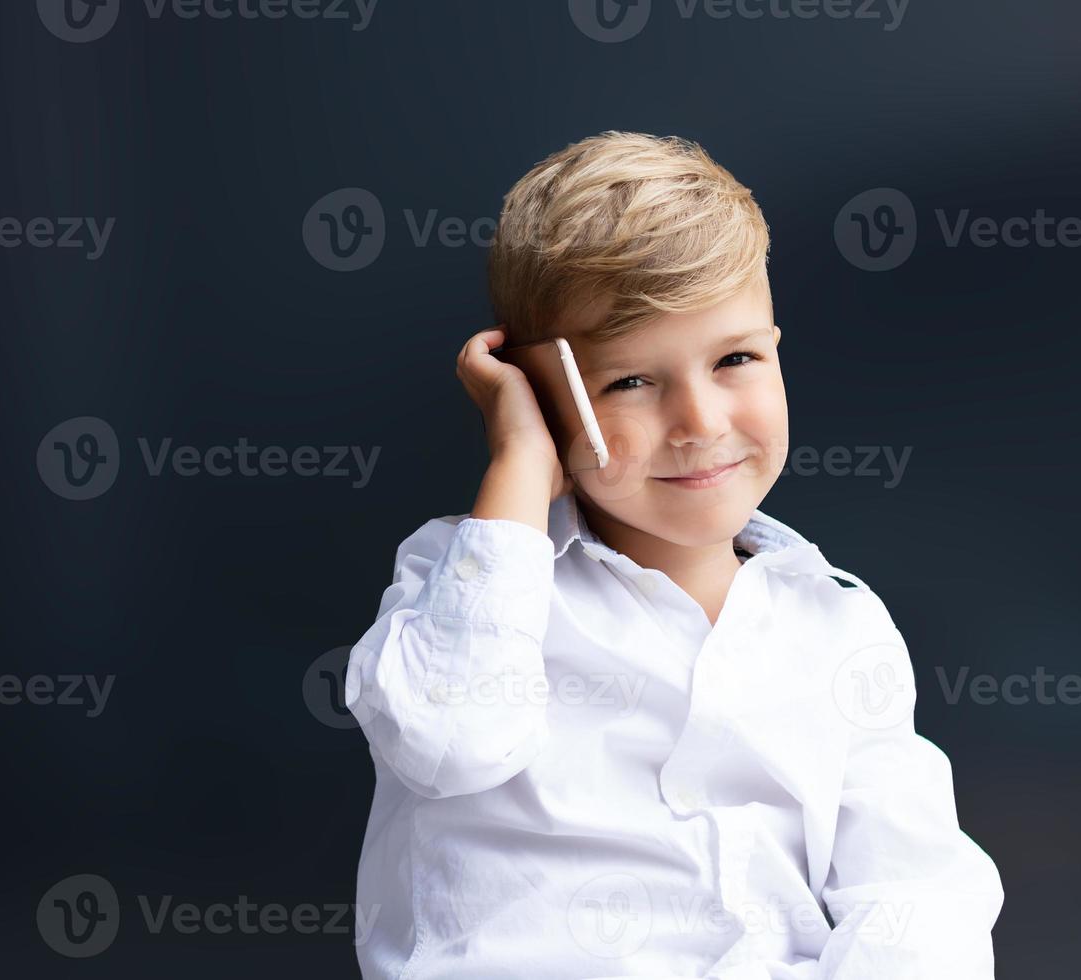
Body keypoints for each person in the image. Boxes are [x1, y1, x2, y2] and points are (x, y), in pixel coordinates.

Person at [344, 131, 1004, 979]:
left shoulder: (837, 622)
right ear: (545, 395)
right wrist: (519, 463)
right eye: (630, 381)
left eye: (736, 359)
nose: (701, 422)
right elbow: (448, 741)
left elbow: (917, 895)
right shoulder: (468, 581)